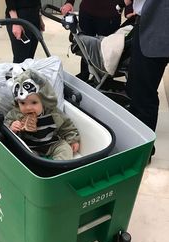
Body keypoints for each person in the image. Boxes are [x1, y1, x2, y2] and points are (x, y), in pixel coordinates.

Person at [125, 0, 169, 157]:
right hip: (148, 23)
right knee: (138, 89)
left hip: (157, 27)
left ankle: (142, 151)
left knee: (143, 93)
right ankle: (141, 145)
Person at [4, 69, 80, 160]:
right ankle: (37, 166)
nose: (28, 107)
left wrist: (73, 140)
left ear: (43, 101)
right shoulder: (16, 114)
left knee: (65, 148)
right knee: (22, 153)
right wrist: (12, 127)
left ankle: (59, 166)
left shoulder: (53, 113)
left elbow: (66, 126)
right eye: (23, 103)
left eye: (34, 102)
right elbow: (5, 124)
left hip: (52, 143)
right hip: (29, 147)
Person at [61, 0, 131, 81]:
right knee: (84, 47)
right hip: (87, 11)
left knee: (107, 52)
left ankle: (105, 81)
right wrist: (69, 2)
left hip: (110, 14)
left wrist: (129, 9)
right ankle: (85, 76)